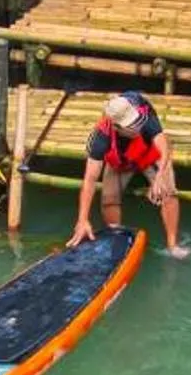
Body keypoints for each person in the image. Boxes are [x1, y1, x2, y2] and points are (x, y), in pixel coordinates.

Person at [70, 91, 184, 256]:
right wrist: (82, 219)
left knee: (168, 192)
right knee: (109, 199)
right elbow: (90, 179)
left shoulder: (144, 114)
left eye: (137, 121)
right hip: (121, 159)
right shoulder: (101, 138)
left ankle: (173, 245)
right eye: (130, 126)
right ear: (115, 126)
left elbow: (163, 145)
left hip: (149, 152)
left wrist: (159, 177)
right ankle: (117, 239)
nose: (137, 126)